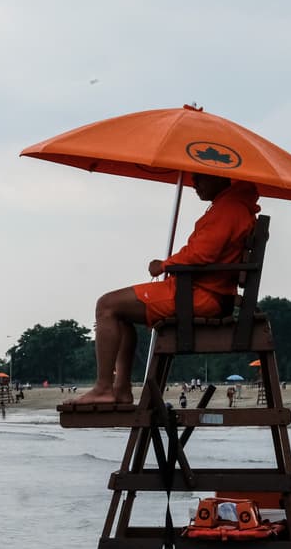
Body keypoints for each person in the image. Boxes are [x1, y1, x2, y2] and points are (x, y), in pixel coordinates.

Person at [67, 173, 260, 405]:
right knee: (118, 313)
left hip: (198, 296)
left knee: (106, 304)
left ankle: (103, 388)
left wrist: (164, 264)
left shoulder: (228, 209)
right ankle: (120, 389)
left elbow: (202, 254)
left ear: (219, 177)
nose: (194, 185)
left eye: (199, 178)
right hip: (204, 291)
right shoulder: (233, 206)